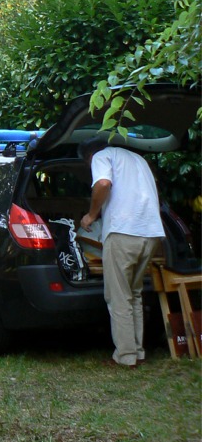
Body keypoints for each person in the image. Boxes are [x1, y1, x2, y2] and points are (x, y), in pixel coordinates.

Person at [79, 137, 165, 368]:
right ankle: (138, 351)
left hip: (123, 231)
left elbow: (104, 184)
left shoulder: (100, 156)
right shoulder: (139, 159)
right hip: (151, 232)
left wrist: (92, 214)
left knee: (118, 296)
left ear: (88, 157)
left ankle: (125, 357)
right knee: (134, 292)